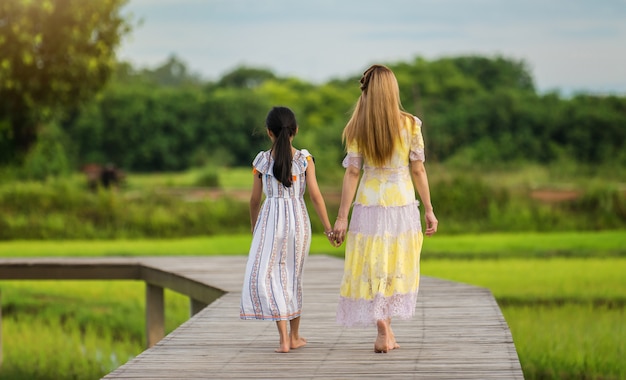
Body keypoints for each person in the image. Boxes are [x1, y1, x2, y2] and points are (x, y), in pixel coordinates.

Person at [332, 64, 438, 353]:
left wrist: (342, 217)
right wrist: (429, 208)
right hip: (401, 205)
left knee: (372, 265)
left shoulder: (356, 127)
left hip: (368, 205)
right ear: (393, 90)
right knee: (394, 264)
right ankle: (385, 327)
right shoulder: (411, 124)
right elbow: (418, 171)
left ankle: (384, 327)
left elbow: (352, 173)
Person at [240, 106, 337, 353]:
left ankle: (284, 339)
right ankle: (295, 337)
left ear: (268, 132)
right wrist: (328, 228)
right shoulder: (305, 160)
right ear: (295, 130)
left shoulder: (261, 161)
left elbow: (253, 200)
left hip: (270, 220)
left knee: (272, 277)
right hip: (298, 221)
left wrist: (254, 226)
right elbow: (315, 196)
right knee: (293, 276)